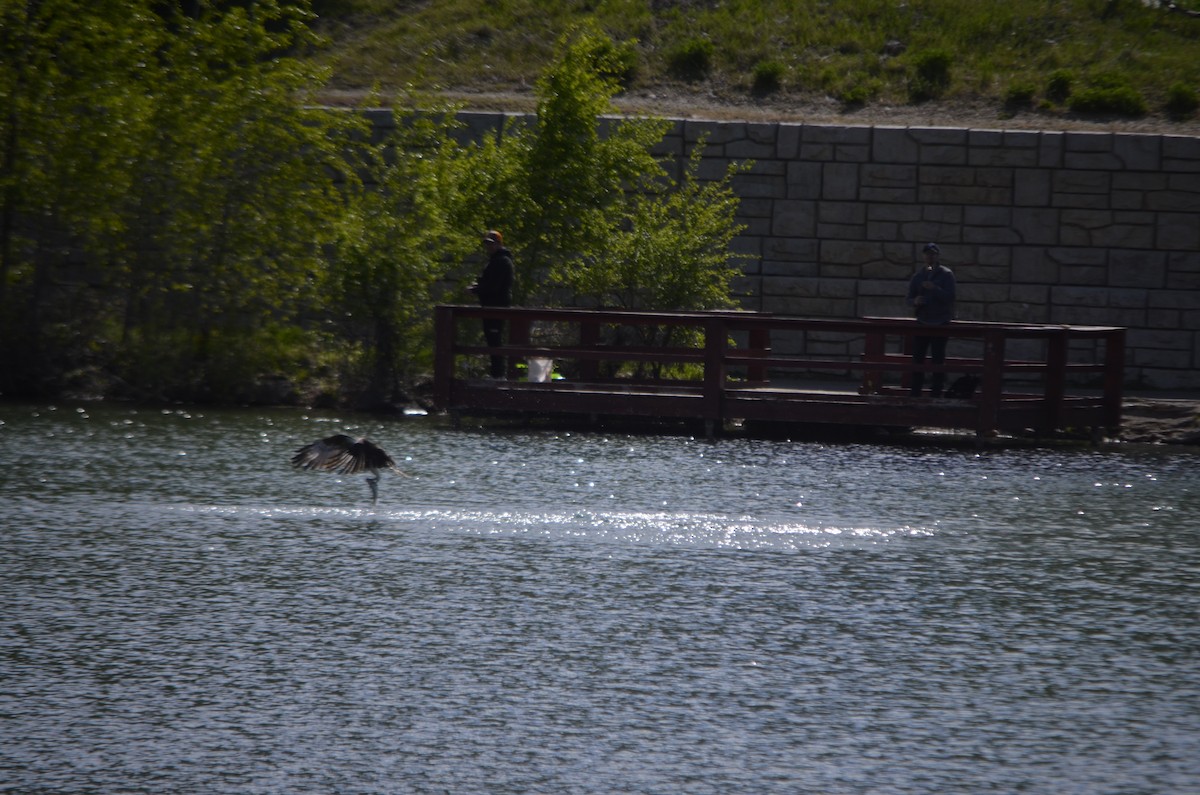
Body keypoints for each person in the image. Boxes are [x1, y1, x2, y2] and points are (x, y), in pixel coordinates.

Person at [905, 242, 956, 397]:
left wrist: (935, 288)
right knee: (917, 360)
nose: (930, 256)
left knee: (938, 360)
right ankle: (915, 393)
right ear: (923, 256)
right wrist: (915, 301)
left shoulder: (946, 274)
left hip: (940, 322)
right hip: (922, 322)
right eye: (927, 254)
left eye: (933, 254)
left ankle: (936, 393)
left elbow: (950, 297)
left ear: (937, 256)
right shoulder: (918, 276)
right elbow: (908, 298)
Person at [468, 229, 515, 379]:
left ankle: (498, 374)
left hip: (497, 306)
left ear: (499, 244)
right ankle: (496, 373)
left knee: (495, 340)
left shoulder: (502, 261)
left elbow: (494, 286)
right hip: (490, 306)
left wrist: (475, 290)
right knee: (492, 340)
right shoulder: (495, 261)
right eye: (487, 244)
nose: (489, 247)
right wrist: (478, 286)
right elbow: (489, 282)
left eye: (491, 244)